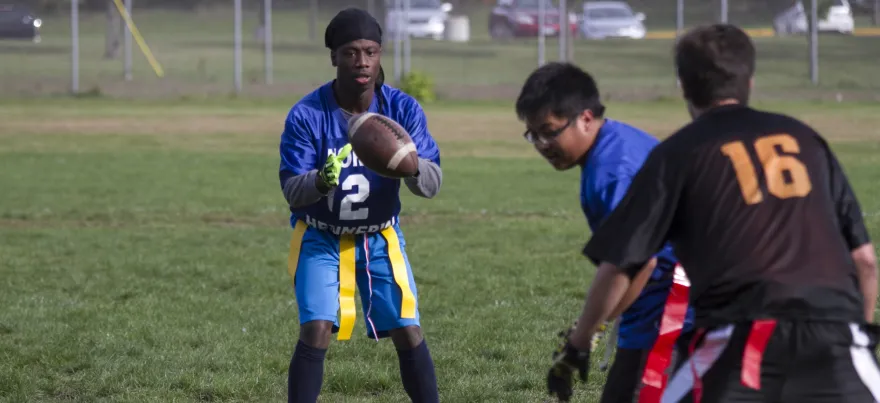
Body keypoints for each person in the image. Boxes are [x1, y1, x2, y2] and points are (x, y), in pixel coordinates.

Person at [547, 23, 880, 403]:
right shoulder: (806, 140)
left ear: (684, 87)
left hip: (740, 345)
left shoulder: (677, 153)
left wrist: (578, 344)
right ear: (749, 81)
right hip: (839, 345)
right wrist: (858, 341)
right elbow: (865, 262)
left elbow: (624, 264)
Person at [278, 8, 442, 403]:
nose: (362, 61)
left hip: (380, 235)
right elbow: (291, 190)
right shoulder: (307, 114)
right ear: (334, 56)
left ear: (381, 53)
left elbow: (433, 184)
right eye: (351, 52)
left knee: (407, 328)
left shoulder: (402, 110)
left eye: (370, 51)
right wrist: (320, 180)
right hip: (320, 236)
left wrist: (409, 165)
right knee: (316, 327)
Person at [514, 62, 695, 403]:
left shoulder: (613, 170)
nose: (541, 144)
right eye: (533, 134)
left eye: (550, 131)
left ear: (585, 117)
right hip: (662, 306)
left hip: (672, 311)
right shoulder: (616, 141)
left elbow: (637, 263)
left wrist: (581, 340)